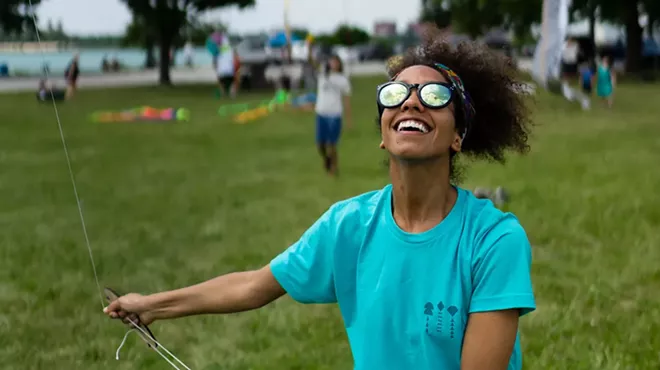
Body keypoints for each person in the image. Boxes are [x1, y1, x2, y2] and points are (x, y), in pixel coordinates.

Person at [104, 35, 536, 370]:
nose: (411, 101)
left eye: (435, 97)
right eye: (396, 93)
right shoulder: (348, 226)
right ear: (383, 133)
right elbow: (254, 285)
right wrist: (150, 306)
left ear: (458, 135)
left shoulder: (494, 240)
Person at [314, 54, 352, 175]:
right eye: (331, 61)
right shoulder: (322, 75)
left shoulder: (342, 79)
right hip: (321, 112)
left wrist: (348, 118)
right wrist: (309, 48)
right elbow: (311, 61)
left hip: (335, 114)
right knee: (320, 144)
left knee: (332, 144)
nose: (333, 64)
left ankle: (333, 169)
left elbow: (346, 99)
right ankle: (327, 160)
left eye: (336, 62)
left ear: (339, 64)